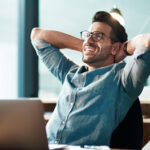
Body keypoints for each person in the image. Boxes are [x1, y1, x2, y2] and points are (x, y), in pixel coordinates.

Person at [31, 11, 150, 147]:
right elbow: (38, 36)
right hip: (43, 146)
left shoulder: (123, 80)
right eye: (87, 35)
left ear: (115, 47)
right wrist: (87, 46)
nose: (88, 39)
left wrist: (123, 49)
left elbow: (147, 41)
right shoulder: (69, 73)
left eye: (98, 36)